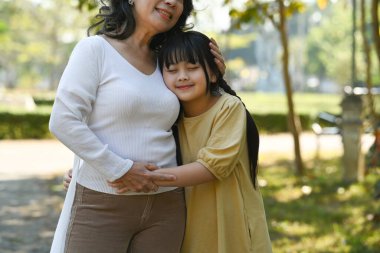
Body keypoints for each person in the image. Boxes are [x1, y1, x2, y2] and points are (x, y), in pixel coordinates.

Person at [49, 1, 225, 253]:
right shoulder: (95, 50)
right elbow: (63, 120)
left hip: (167, 206)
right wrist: (117, 169)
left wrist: (214, 77)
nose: (171, 2)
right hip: (102, 203)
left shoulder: (169, 63)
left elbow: (198, 119)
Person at [108, 31, 273, 252]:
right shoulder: (170, 119)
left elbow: (211, 168)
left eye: (192, 68)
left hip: (233, 225)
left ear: (213, 74)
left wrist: (146, 178)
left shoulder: (229, 108)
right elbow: (130, 141)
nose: (182, 76)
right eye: (172, 70)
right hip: (192, 227)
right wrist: (95, 168)